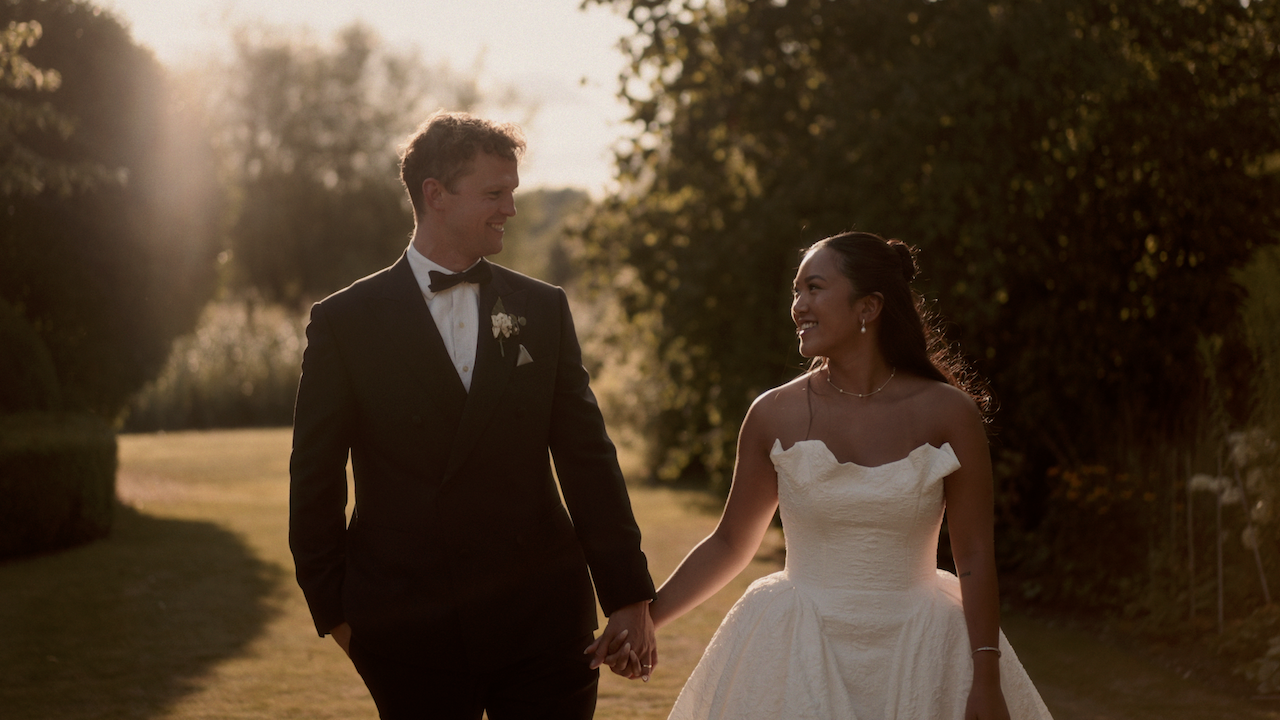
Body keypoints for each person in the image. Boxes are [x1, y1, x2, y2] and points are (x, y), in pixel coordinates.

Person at [288, 111, 656, 720]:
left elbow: (588, 459)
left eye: (511, 191)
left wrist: (629, 595)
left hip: (545, 625)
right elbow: (315, 481)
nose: (510, 208)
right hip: (409, 630)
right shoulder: (345, 321)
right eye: (495, 193)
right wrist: (340, 616)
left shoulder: (543, 308)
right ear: (435, 195)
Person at [650, 232, 1053, 719]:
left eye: (814, 288)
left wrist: (985, 679)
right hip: (796, 648)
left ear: (869, 307)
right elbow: (731, 542)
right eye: (795, 292)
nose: (798, 306)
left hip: (924, 651)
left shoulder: (949, 413)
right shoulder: (773, 414)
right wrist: (645, 620)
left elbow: (974, 556)